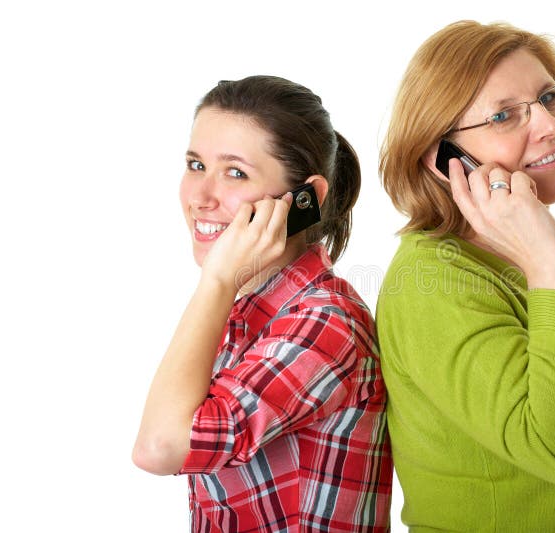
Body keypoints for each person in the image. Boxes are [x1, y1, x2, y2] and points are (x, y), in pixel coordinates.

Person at [376, 20, 555, 532]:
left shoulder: (505, 263)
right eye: (503, 115)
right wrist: (549, 258)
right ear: (443, 160)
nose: (548, 124)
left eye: (549, 96)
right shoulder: (435, 283)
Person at [132, 76, 392, 532]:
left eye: (236, 173)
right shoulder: (246, 309)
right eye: (195, 165)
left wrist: (217, 281)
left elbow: (159, 448)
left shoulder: (323, 323)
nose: (200, 197)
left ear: (305, 199)